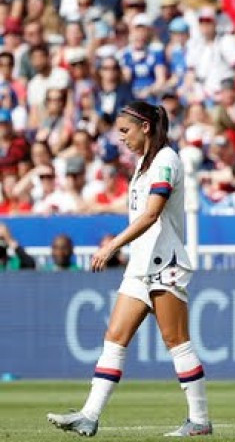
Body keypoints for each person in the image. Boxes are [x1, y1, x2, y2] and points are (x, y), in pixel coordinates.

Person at [47, 101, 211, 437]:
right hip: (140, 265)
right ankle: (89, 415)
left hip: (164, 263)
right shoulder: (143, 165)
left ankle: (199, 419)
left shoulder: (166, 160)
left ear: (146, 127)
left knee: (176, 341)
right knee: (114, 338)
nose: (121, 138)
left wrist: (111, 246)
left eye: (125, 131)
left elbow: (151, 214)